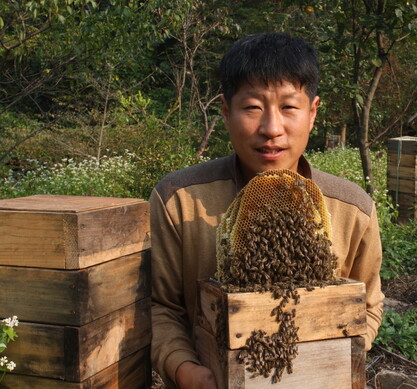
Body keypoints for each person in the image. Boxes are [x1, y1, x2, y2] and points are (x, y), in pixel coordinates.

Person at [150, 32, 384, 389]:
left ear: (312, 113)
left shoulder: (353, 208)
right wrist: (185, 370)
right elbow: (160, 307)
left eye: (289, 107)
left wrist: (339, 351)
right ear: (226, 113)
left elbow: (367, 305)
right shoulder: (177, 200)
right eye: (252, 107)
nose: (271, 129)